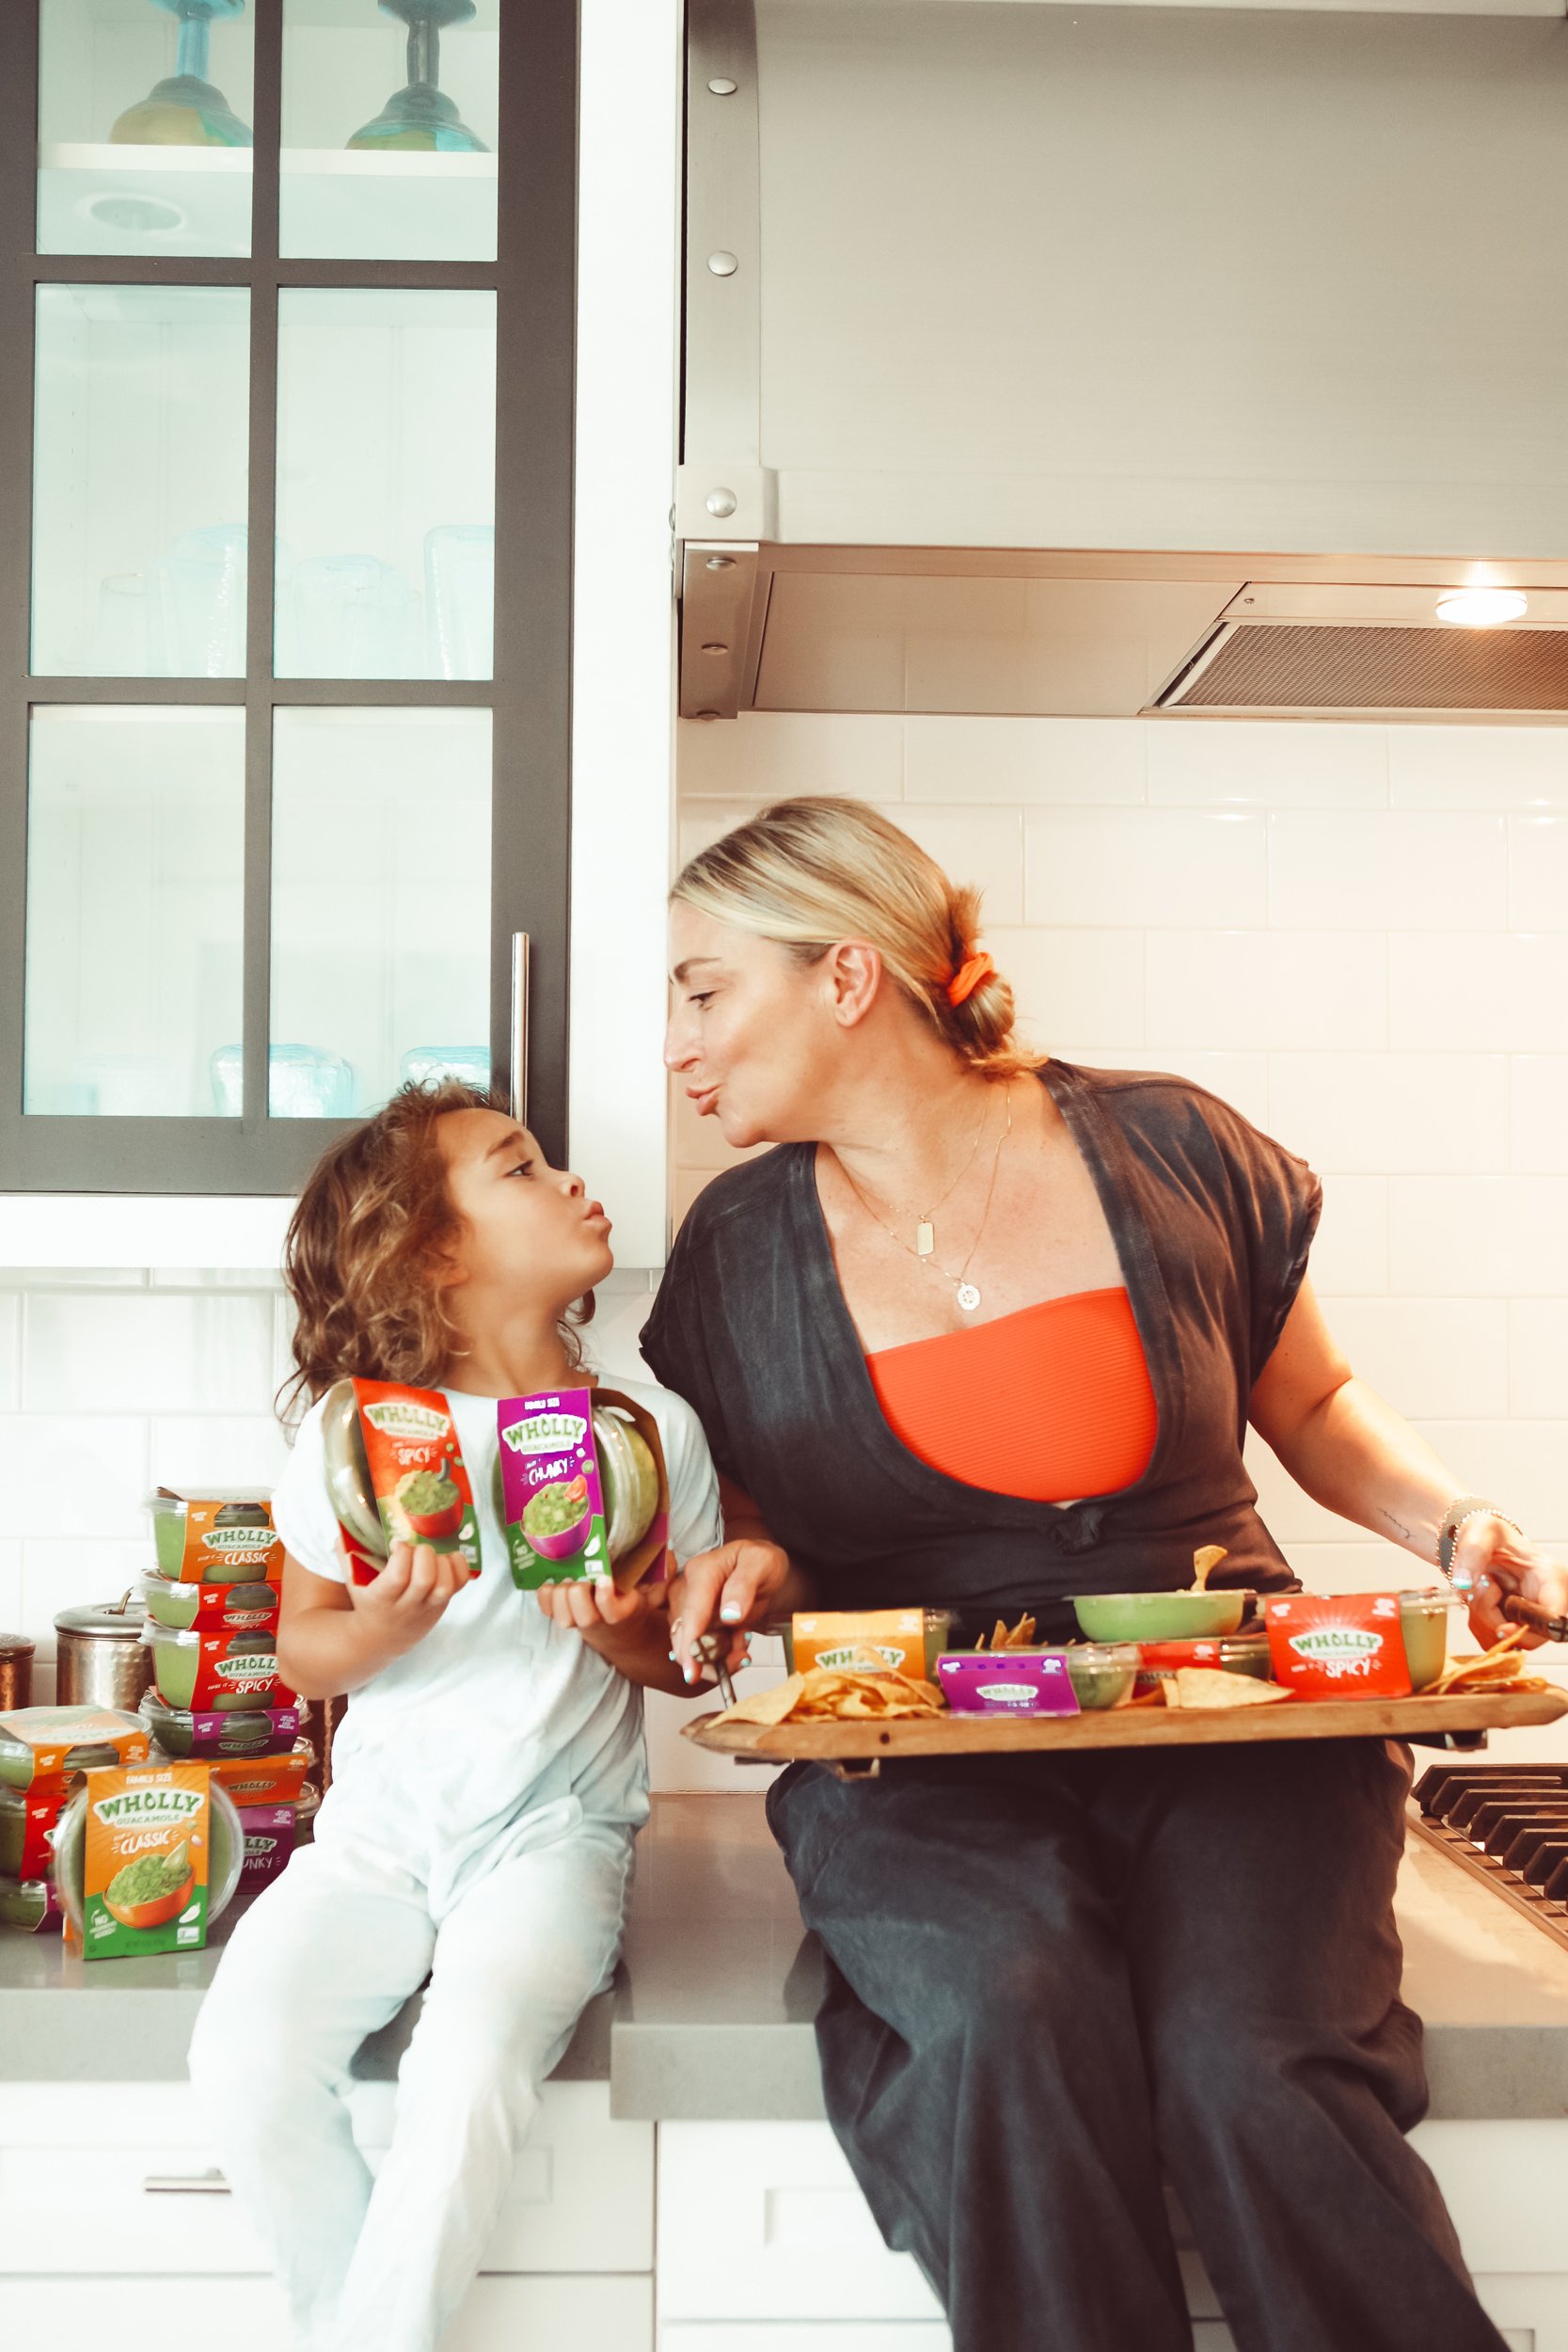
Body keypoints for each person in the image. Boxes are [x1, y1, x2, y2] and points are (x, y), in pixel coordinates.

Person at [646, 795, 1568, 2352]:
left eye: (705, 989)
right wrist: (734, 1576)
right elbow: (766, 1549)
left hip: (1234, 1706)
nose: (682, 1041)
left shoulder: (1164, 1145)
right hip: (920, 1750)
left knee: (1246, 2053)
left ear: (848, 977)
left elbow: (1319, 1409)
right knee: (1007, 2013)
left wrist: (1456, 1529)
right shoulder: (733, 1252)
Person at [187, 1081, 734, 2352]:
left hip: (555, 1838)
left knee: (469, 2062)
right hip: (374, 1842)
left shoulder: (645, 1433)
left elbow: (699, 1663)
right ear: (436, 1250)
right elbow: (303, 1656)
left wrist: (618, 1630)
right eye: (521, 1168)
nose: (567, 1179)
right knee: (245, 2059)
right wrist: (385, 1625)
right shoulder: (357, 1437)